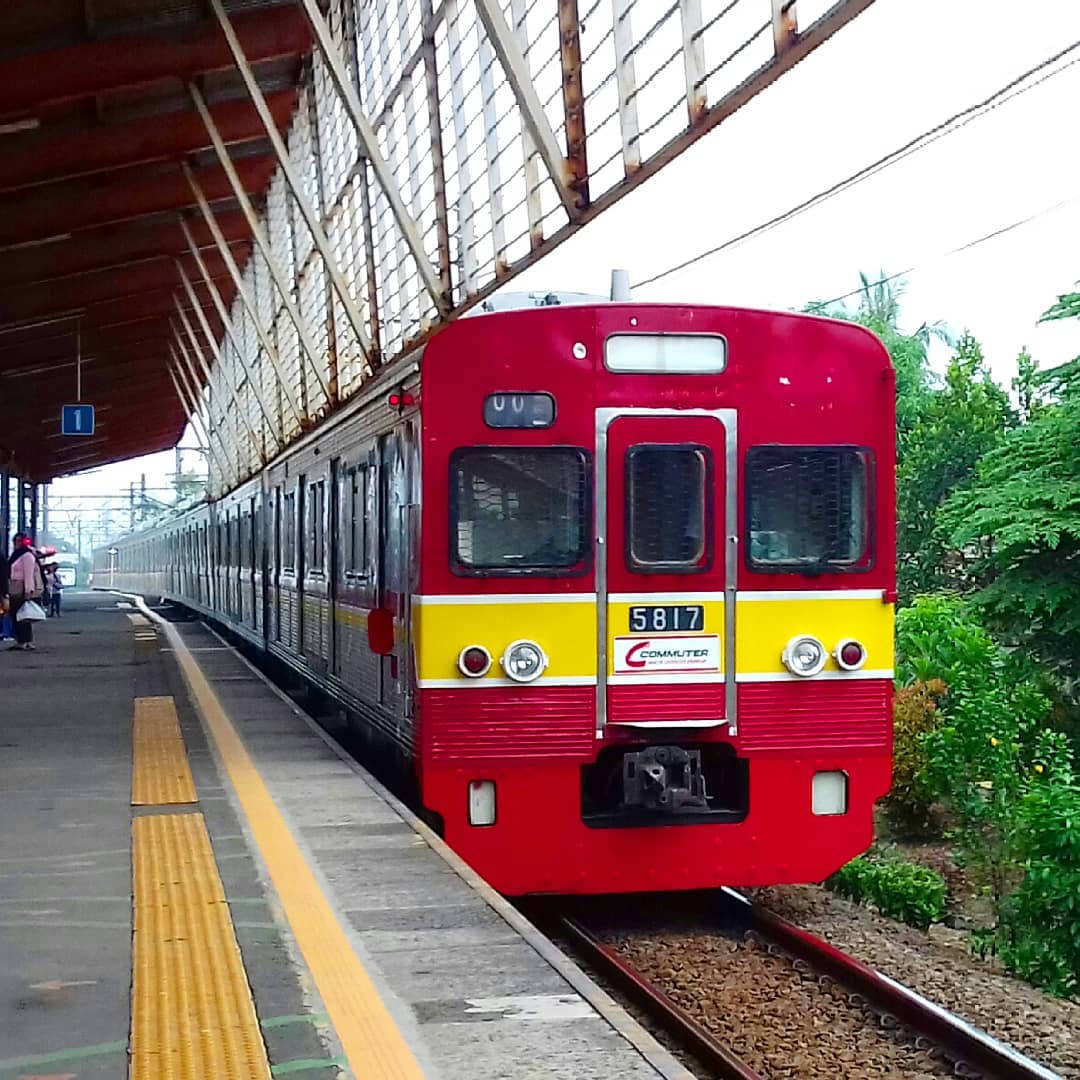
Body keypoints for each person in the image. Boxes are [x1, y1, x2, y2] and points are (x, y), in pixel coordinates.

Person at [8, 533, 44, 651]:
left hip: (21, 588)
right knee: (20, 615)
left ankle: (24, 640)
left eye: (19, 541)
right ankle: (24, 640)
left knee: (21, 616)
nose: (16, 543)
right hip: (14, 586)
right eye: (15, 541)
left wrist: (28, 591)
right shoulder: (16, 555)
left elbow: (28, 574)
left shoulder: (27, 555)